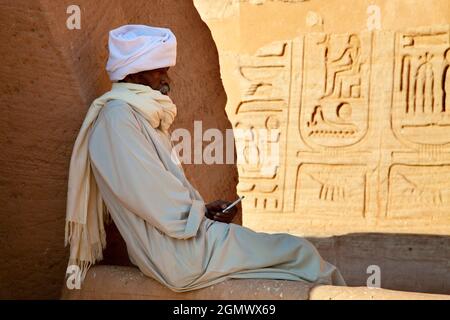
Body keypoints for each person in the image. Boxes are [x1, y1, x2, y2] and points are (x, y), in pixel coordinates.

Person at [64, 24, 346, 292]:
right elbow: (152, 198)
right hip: (178, 254)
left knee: (296, 258)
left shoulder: (136, 114)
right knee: (301, 254)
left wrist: (205, 211)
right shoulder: (117, 119)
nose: (167, 79)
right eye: (158, 71)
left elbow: (161, 198)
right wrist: (199, 215)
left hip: (184, 242)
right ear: (134, 75)